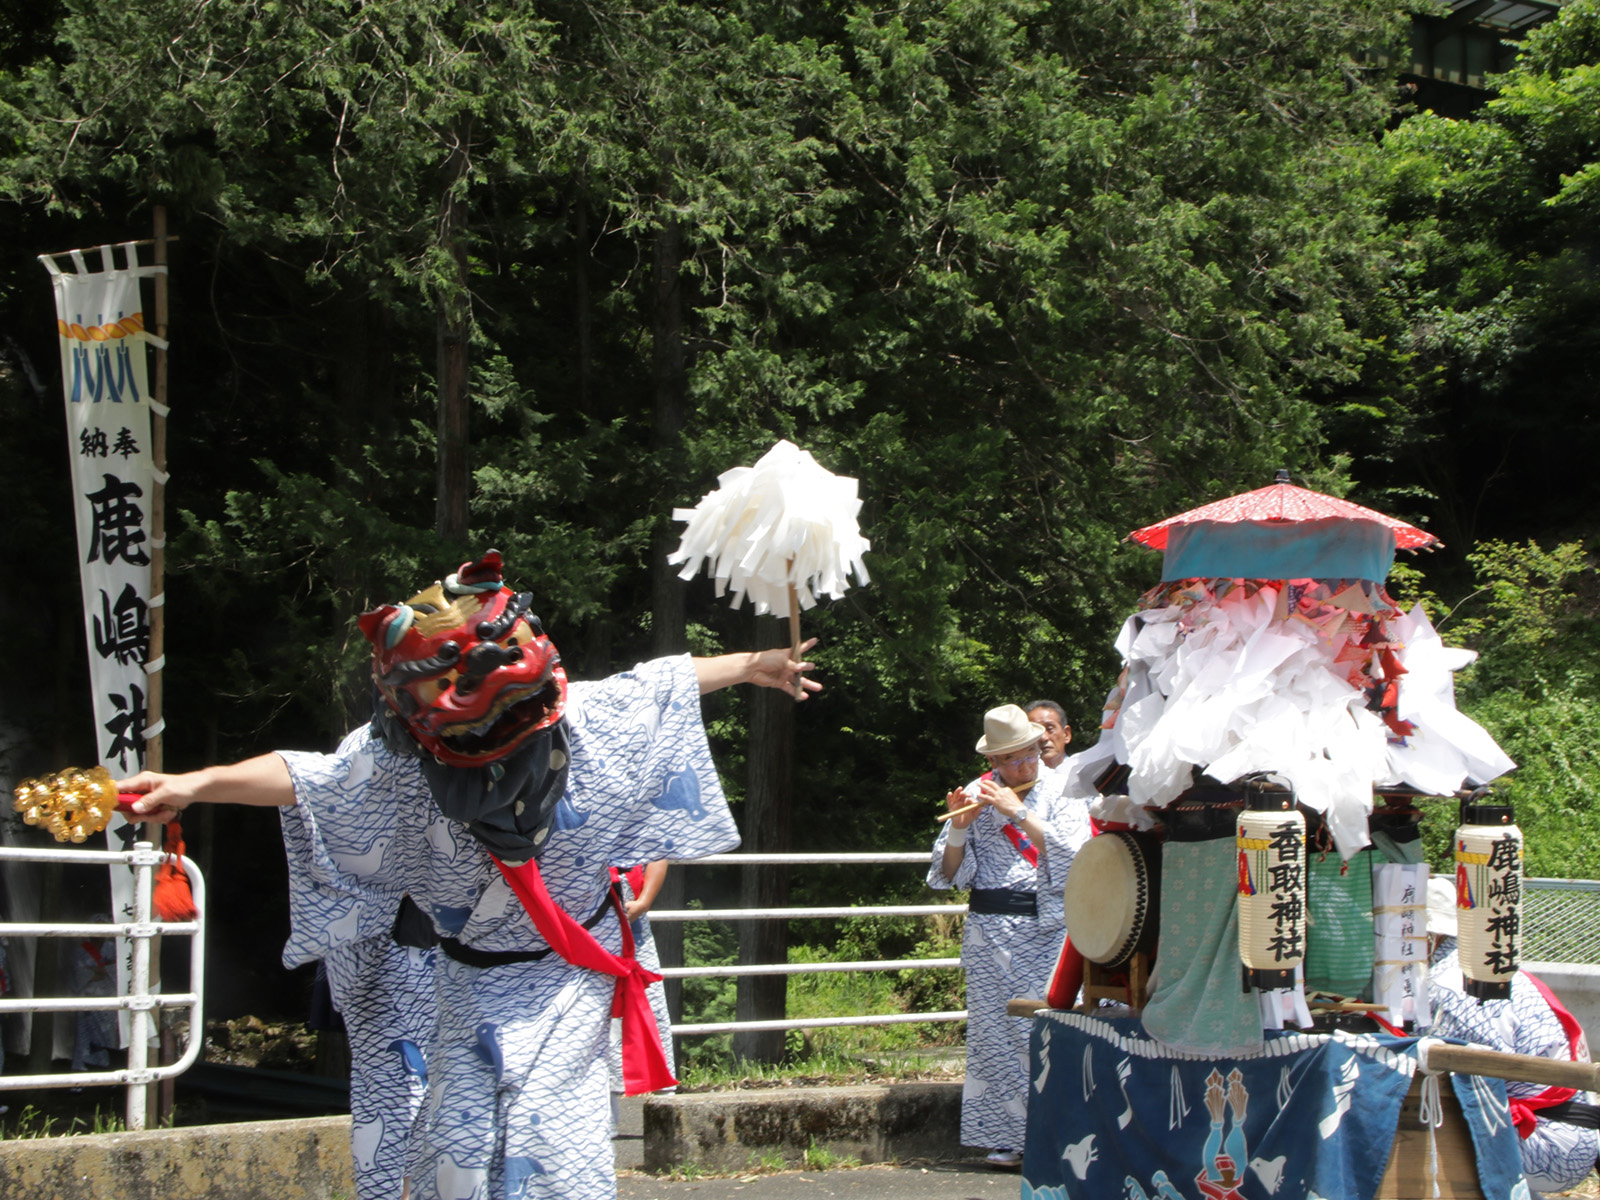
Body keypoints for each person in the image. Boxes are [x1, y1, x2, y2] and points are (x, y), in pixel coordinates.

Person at [120, 549, 819, 1200]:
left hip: (563, 984)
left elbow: (662, 681)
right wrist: (196, 782)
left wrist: (756, 662)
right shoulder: (409, 759)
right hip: (470, 986)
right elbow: (307, 777)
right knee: (457, 1154)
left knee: (549, 1149)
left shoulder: (569, 722)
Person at [929, 703, 1092, 1167]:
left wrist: (1018, 812)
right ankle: (1009, 1137)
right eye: (1010, 760)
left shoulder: (1066, 791)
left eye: (1027, 756)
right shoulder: (980, 795)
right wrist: (960, 827)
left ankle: (1057, 1136)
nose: (1021, 767)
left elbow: (1076, 855)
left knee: (1045, 1033)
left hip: (1049, 929)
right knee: (995, 1038)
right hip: (991, 933)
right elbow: (948, 874)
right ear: (993, 763)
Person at [1425, 875, 1600, 1198]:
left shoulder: (1450, 985)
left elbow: (1477, 1086)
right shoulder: (1486, 966)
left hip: (1550, 1138)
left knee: (1424, 1119)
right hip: (1575, 1126)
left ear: (1427, 937)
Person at [1025, 700, 1072, 772]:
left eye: (1050, 729)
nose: (1043, 737)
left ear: (1066, 734)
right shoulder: (1020, 779)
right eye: (1035, 731)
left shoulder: (1083, 773)